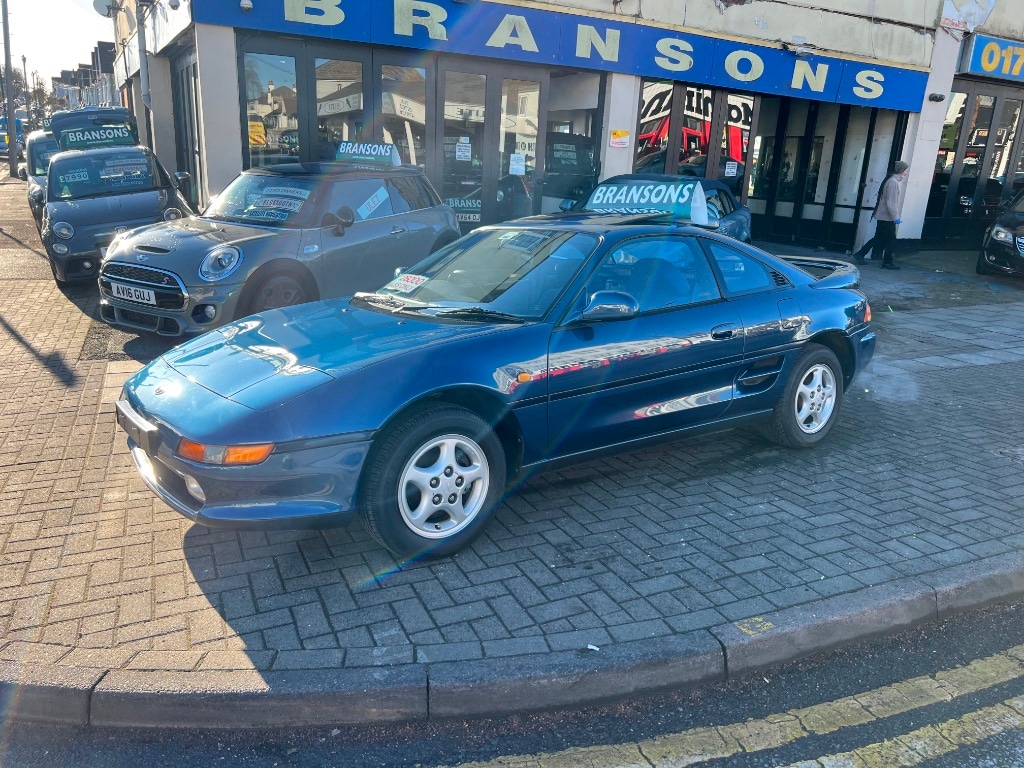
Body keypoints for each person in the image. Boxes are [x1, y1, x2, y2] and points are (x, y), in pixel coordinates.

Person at [857, 160, 910, 270]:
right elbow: (890, 202)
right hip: (887, 217)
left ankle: (860, 254)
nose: (906, 172)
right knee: (891, 239)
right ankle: (887, 262)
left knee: (878, 238)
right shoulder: (893, 182)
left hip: (883, 216)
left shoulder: (891, 181)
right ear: (901, 170)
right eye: (905, 170)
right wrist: (895, 217)